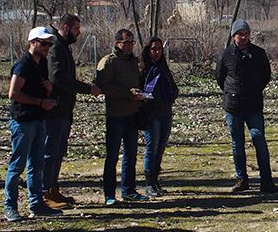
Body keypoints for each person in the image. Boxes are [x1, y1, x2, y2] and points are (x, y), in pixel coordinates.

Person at [4, 27, 63, 222]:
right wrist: (40, 102)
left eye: (49, 44)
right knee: (17, 165)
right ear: (32, 43)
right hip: (23, 121)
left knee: (37, 165)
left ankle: (36, 204)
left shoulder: (42, 63)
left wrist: (49, 89)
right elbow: (13, 93)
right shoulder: (23, 65)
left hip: (39, 119)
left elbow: (40, 87)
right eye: (43, 43)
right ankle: (10, 206)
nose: (47, 47)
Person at [43, 14, 102, 209]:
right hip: (54, 109)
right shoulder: (55, 47)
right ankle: (45, 193)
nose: (79, 32)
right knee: (50, 153)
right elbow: (58, 77)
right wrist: (87, 89)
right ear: (66, 27)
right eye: (76, 29)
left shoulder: (63, 47)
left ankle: (53, 189)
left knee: (58, 152)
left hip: (64, 109)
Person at [215, 19, 278, 193]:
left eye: (246, 34)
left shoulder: (259, 53)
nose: (243, 37)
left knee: (259, 139)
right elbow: (220, 77)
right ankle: (242, 179)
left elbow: (266, 75)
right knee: (237, 143)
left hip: (253, 105)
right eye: (240, 34)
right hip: (233, 106)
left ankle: (266, 181)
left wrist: (255, 89)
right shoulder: (226, 55)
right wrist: (231, 91)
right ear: (233, 36)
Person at [95, 29, 148, 205]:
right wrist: (127, 93)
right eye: (127, 42)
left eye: (132, 42)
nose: (130, 46)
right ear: (117, 43)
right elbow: (103, 86)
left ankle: (129, 190)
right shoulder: (108, 62)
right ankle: (109, 194)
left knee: (131, 155)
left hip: (132, 113)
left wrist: (141, 94)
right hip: (116, 115)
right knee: (112, 156)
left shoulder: (133, 61)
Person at [139, 37, 179, 197]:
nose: (156, 52)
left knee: (160, 149)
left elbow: (173, 88)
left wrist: (170, 96)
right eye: (153, 49)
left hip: (165, 113)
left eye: (159, 49)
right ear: (148, 50)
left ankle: (155, 181)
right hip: (151, 114)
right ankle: (149, 183)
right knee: (152, 149)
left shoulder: (164, 68)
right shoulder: (143, 69)